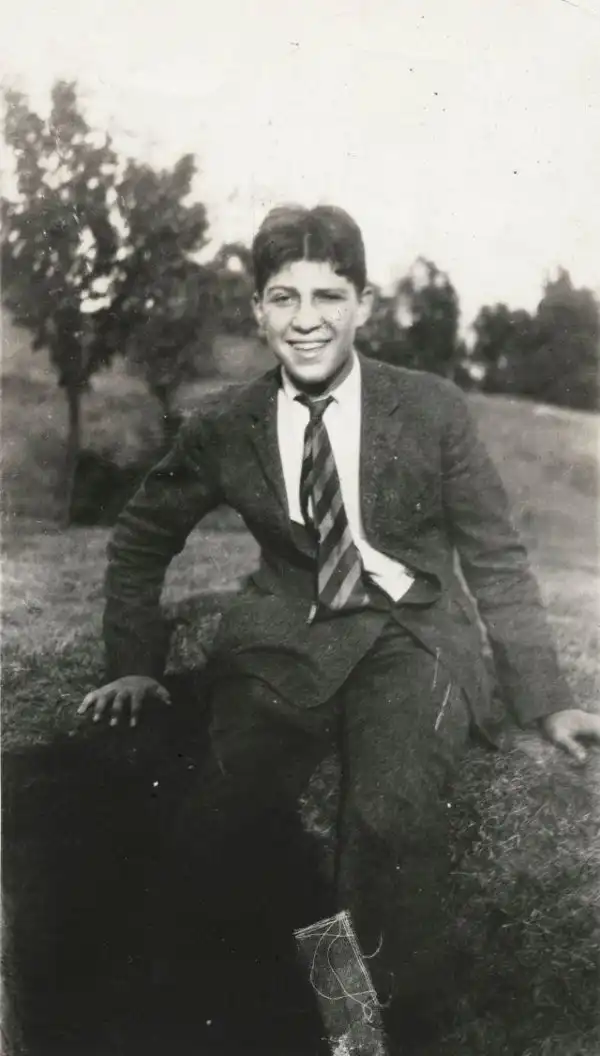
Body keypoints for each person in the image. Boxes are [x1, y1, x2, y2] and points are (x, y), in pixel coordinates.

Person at [78, 204, 600, 1053]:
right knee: (220, 821)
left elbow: (495, 556)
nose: (306, 319)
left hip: (414, 639)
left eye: (328, 295)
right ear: (258, 310)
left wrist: (548, 698)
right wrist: (133, 662)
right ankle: (225, 1024)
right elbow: (141, 537)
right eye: (283, 298)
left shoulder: (430, 408)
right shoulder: (226, 423)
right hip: (287, 641)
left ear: (364, 304)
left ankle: (366, 1037)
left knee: (387, 821)